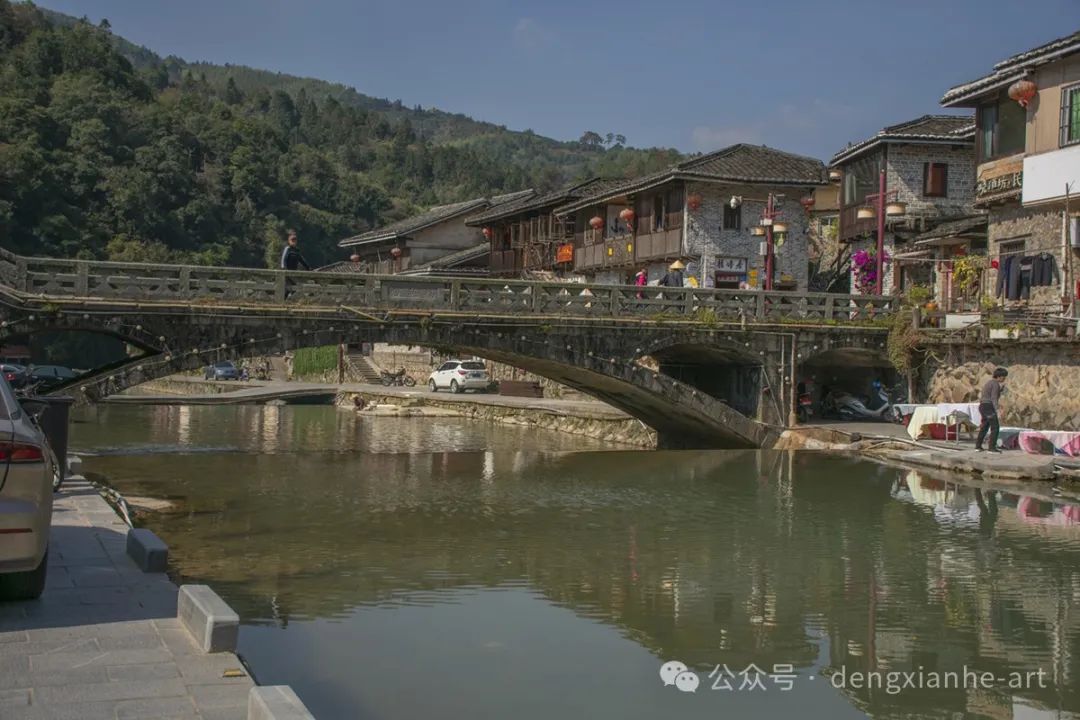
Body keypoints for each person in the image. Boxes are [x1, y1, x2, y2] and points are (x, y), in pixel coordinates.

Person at [975, 367, 1008, 453]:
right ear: (999, 376)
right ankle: (992, 448)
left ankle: (978, 446)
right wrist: (997, 410)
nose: (1004, 379)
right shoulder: (995, 384)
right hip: (988, 407)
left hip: (983, 406)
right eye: (1004, 377)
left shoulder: (989, 383)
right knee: (995, 427)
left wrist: (1000, 390)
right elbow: (993, 398)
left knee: (984, 427)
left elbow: (989, 394)